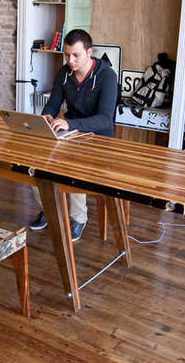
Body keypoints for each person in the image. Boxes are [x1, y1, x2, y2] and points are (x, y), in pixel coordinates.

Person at [29, 29, 118, 242]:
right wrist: (48, 116)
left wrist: (69, 123)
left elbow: (105, 119)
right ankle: (48, 209)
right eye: (67, 55)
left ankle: (78, 218)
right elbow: (53, 102)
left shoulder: (107, 76)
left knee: (73, 164)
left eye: (76, 55)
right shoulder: (64, 73)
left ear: (90, 52)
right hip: (70, 131)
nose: (70, 60)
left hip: (98, 137)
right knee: (35, 160)